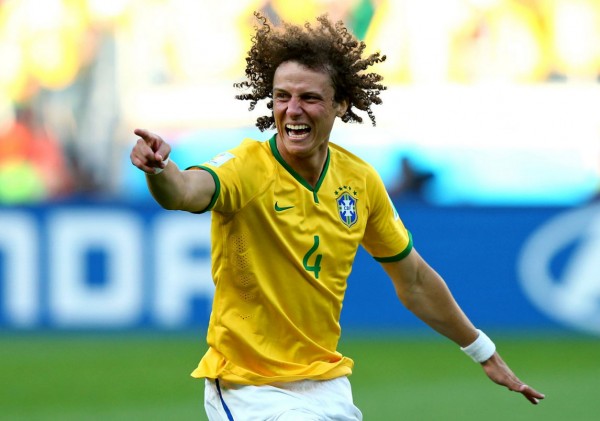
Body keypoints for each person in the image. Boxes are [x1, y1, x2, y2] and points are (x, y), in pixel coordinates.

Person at [130, 12, 544, 420]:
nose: (292, 110)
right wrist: (158, 170)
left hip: (326, 385)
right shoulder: (246, 167)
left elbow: (414, 280)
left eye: (309, 98)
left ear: (340, 104)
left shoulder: (359, 182)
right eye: (281, 97)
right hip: (250, 387)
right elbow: (184, 191)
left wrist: (482, 351)